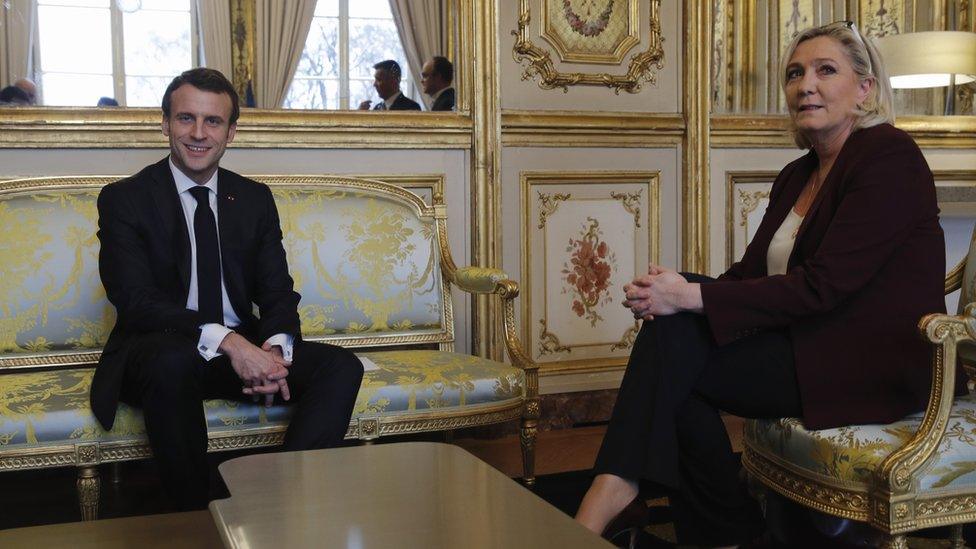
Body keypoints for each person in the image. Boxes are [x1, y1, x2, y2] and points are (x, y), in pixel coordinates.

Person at [574, 21, 963, 548]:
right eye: (795, 74)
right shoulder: (798, 174)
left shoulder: (889, 158)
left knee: (678, 339)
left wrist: (690, 297)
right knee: (673, 344)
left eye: (826, 71)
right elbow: (748, 276)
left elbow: (823, 287)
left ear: (865, 88)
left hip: (870, 362)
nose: (806, 85)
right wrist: (675, 292)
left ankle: (629, 496)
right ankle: (704, 525)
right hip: (808, 345)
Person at [90, 68, 364, 511]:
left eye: (212, 121)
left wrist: (274, 351)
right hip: (160, 352)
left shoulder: (253, 198)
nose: (198, 133)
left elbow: (277, 290)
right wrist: (232, 343)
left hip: (237, 351)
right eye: (185, 119)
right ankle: (197, 514)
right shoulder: (126, 198)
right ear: (165, 124)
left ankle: (282, 501)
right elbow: (136, 302)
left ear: (231, 132)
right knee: (171, 360)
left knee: (341, 367)